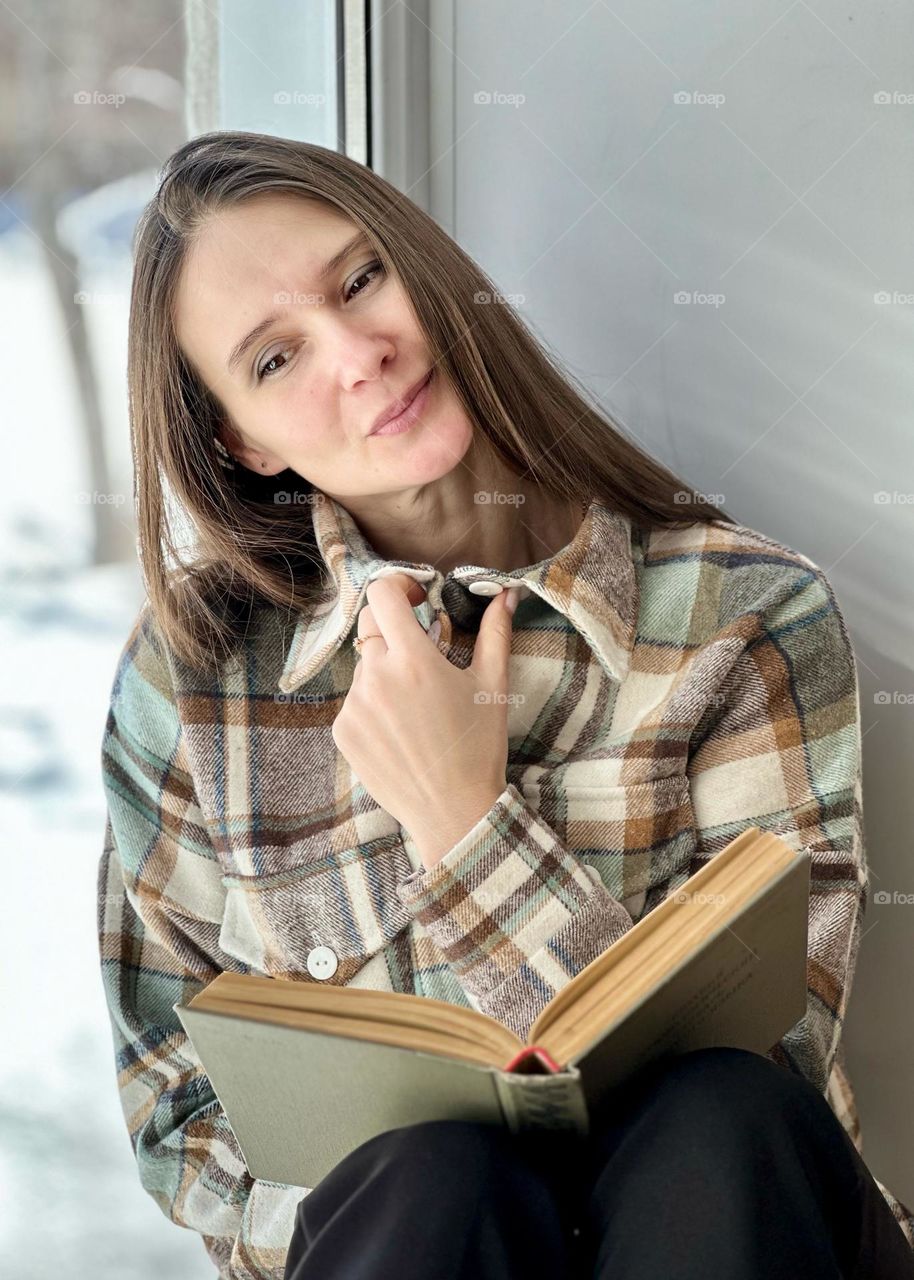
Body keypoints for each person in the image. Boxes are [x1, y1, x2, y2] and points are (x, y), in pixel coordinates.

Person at [96, 129, 914, 1279]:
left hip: (733, 1232)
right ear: (240, 437)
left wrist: (466, 826)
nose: (357, 353)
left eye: (360, 279)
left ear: (427, 270)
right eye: (274, 360)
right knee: (428, 1175)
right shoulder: (196, 680)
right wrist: (449, 1216)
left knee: (718, 1113)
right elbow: (179, 1113)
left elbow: (777, 1068)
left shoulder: (744, 616)